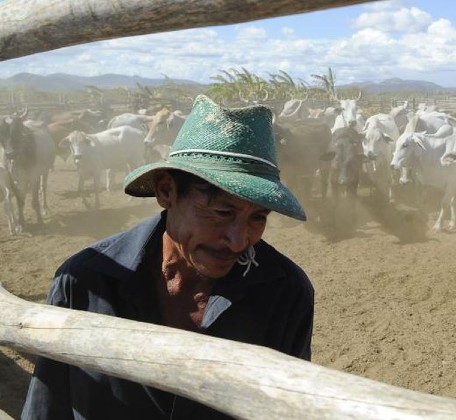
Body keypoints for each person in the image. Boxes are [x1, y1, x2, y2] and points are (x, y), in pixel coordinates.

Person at [21, 95, 314, 419]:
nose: (237, 240)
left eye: (258, 218)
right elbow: (46, 410)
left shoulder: (285, 293)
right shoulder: (84, 283)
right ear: (166, 191)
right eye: (220, 211)